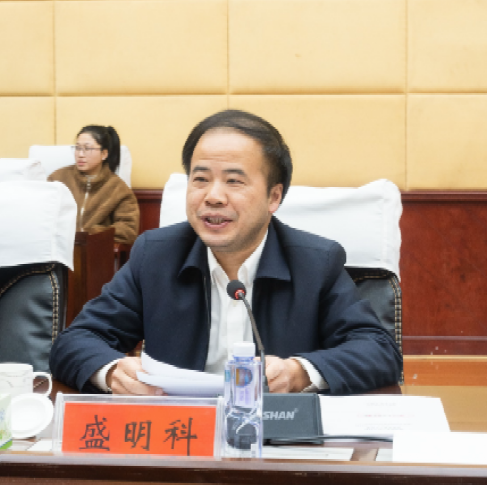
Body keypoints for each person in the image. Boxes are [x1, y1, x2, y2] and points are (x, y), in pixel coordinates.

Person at [50, 110, 402, 396]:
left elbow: (378, 350)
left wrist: (299, 373)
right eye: (200, 179)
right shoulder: (155, 255)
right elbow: (76, 341)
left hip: (275, 440)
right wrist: (112, 372)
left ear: (274, 197)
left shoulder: (315, 262)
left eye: (234, 181)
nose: (213, 197)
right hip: (180, 439)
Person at [48, 125, 139, 245]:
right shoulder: (58, 179)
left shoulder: (118, 188)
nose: (80, 154)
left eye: (87, 148)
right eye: (77, 148)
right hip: (57, 248)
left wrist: (92, 233)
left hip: (94, 250)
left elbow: (128, 230)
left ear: (104, 154)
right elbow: (42, 215)